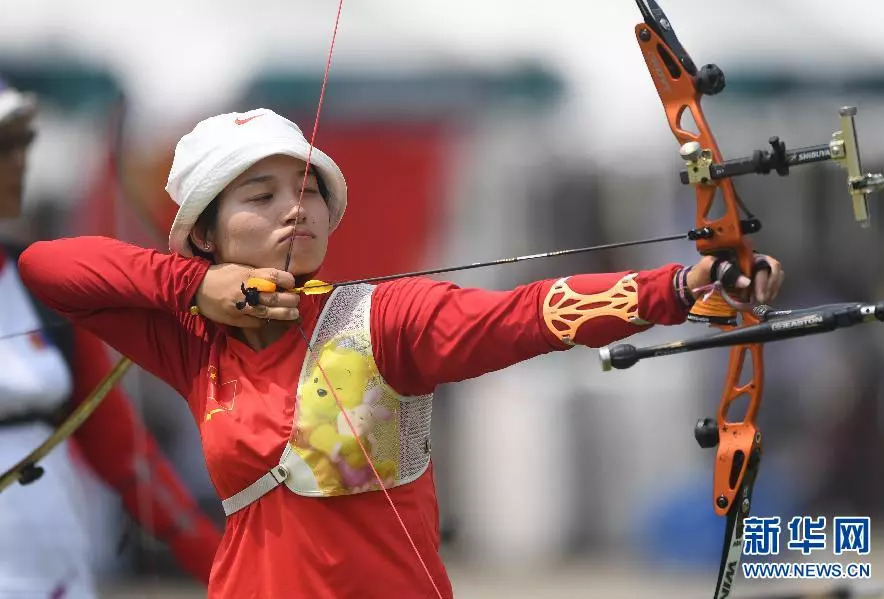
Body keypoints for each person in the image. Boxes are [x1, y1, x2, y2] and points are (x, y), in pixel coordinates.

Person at [17, 107, 784, 598]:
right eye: (261, 196)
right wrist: (197, 288)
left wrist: (685, 283)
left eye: (308, 190)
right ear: (207, 233)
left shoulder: (382, 320)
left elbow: (530, 312)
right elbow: (48, 267)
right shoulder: (194, 345)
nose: (295, 208)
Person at [0, 77, 221, 597]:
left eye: (22, 143)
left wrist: (217, 565)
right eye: (4, 146)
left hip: (53, 564)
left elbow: (121, 449)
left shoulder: (36, 279)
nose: (19, 162)